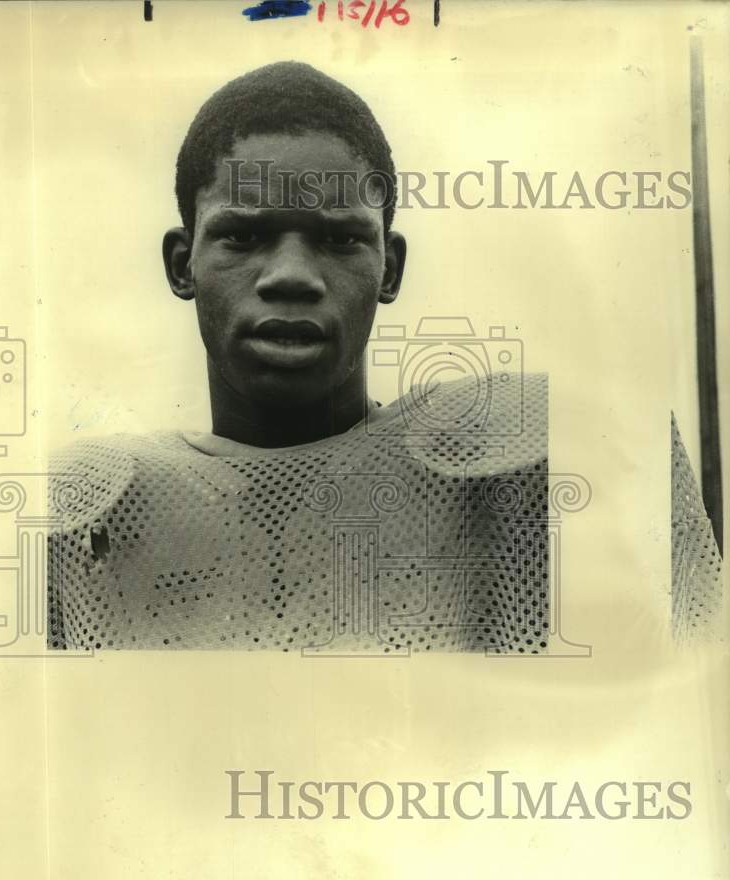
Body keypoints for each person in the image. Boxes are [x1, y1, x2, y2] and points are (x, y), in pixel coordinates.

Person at [47, 60, 549, 653]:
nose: (291, 277)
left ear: (389, 268)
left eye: (339, 239)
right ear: (183, 266)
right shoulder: (83, 513)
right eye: (243, 236)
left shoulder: (500, 469)